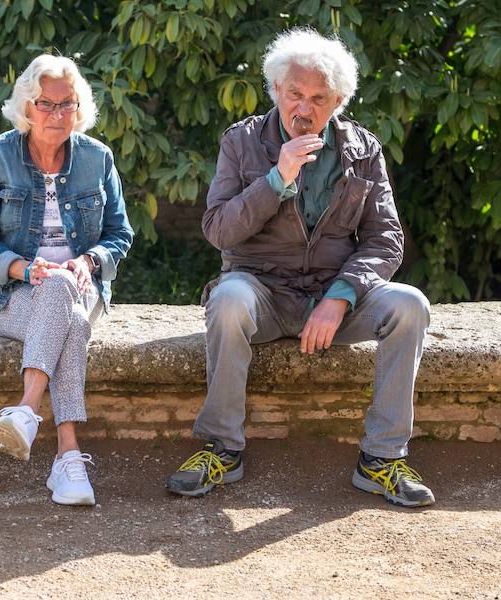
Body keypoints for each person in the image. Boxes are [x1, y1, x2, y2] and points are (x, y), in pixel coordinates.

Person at [165, 28, 435, 507]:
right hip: (262, 292)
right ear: (275, 90)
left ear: (338, 102)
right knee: (227, 300)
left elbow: (386, 238)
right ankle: (222, 448)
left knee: (410, 305)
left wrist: (341, 296)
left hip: (335, 297)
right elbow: (219, 229)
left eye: (318, 98)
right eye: (294, 94)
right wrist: (277, 179)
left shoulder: (362, 150)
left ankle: (382, 458)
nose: (303, 109)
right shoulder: (242, 142)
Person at [0, 54, 133, 506]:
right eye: (46, 104)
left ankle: (26, 410)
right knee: (70, 320)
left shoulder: (98, 158)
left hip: (83, 286)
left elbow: (120, 234)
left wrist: (90, 260)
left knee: (64, 288)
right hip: (12, 292)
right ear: (27, 106)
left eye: (67, 105)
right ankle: (68, 457)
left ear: (79, 109)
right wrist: (23, 267)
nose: (57, 115)